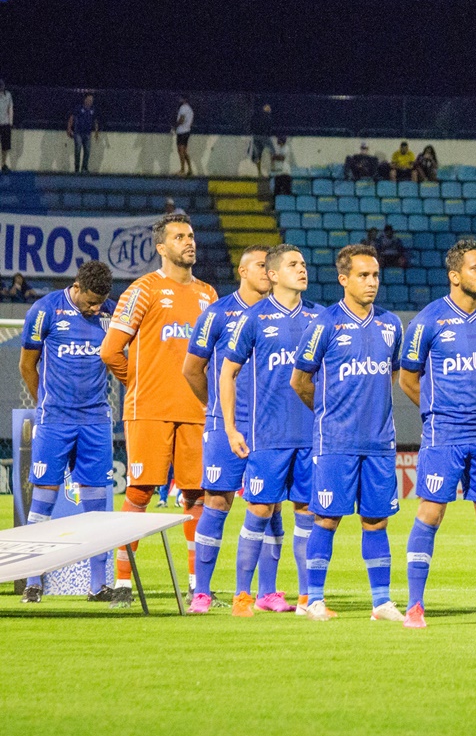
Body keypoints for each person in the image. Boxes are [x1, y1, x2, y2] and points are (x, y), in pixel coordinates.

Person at [100, 213, 219, 608]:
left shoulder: (209, 294)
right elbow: (110, 350)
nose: (190, 242)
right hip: (149, 409)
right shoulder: (143, 289)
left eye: (191, 235)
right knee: (139, 491)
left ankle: (197, 586)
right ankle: (121, 583)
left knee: (196, 496)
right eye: (180, 237)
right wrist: (137, 385)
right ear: (161, 247)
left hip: (196, 411)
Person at [398, 239, 476, 629]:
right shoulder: (427, 322)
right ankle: (415, 605)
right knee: (431, 512)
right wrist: (435, 413)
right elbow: (407, 379)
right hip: (444, 435)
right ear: (455, 276)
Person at [290, 244, 405, 621]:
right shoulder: (323, 324)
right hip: (335, 441)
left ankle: (381, 602)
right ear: (343, 279)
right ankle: (314, 600)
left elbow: (391, 375)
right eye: (363, 275)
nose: (372, 282)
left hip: (379, 441)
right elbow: (300, 381)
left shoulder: (391, 324)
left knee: (377, 520)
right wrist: (329, 414)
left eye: (375, 275)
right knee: (326, 517)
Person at [222, 244, 324, 617]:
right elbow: (227, 372)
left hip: (311, 437)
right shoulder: (254, 319)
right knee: (260, 511)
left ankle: (307, 598)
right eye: (294, 264)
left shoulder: (321, 318)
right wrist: (231, 428)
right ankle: (242, 596)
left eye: (303, 263)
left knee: (307, 514)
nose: (302, 269)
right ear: (274, 274)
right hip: (268, 438)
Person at [18, 261, 117, 603]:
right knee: (43, 499)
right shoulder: (44, 310)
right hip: (55, 421)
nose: (96, 308)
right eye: (91, 301)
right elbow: (27, 365)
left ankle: (98, 585)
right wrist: (45, 403)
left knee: (96, 505)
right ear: (76, 286)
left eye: (100, 303)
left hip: (96, 421)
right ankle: (33, 581)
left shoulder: (110, 312)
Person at [180, 245, 272, 614]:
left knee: (268, 505)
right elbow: (191, 369)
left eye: (271, 265)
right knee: (217, 501)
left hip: (269, 427)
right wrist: (215, 409)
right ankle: (201, 592)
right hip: (225, 425)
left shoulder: (281, 315)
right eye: (262, 266)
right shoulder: (217, 313)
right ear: (243, 271)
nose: (268, 271)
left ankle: (266, 593)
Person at [67, 93, 100, 174]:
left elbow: (95, 121)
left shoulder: (93, 109)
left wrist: (96, 132)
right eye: (89, 99)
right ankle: (77, 168)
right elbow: (72, 117)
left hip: (87, 133)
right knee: (77, 150)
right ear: (85, 99)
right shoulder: (79, 108)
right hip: (78, 133)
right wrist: (69, 128)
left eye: (91, 100)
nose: (90, 101)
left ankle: (84, 168)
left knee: (87, 151)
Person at [250, 103, 274, 177]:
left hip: (256, 136)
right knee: (272, 151)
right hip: (264, 136)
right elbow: (269, 127)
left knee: (258, 155)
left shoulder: (257, 115)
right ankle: (273, 169)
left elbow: (252, 124)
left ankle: (259, 171)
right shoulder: (267, 117)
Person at [174, 95, 194, 177]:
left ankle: (182, 170)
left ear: (184, 99)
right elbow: (191, 120)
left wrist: (175, 126)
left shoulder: (183, 108)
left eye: (181, 98)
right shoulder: (190, 109)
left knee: (180, 151)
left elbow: (181, 119)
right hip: (187, 131)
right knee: (185, 152)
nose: (179, 100)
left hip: (181, 131)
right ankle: (190, 169)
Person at [0, 78, 12, 172]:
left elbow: (10, 108)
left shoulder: (8, 95)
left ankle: (3, 164)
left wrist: (10, 123)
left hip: (5, 124)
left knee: (5, 146)